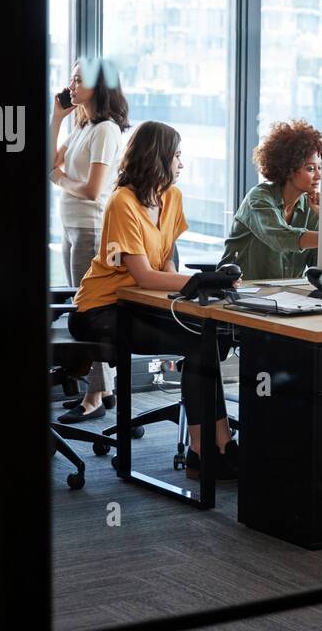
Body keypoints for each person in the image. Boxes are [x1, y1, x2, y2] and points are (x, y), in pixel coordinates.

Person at [68, 121, 238, 480]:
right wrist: (200, 280)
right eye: (176, 155)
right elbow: (144, 275)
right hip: (100, 309)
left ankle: (220, 445)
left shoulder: (171, 197)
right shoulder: (122, 202)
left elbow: (166, 263)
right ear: (157, 158)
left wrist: (191, 287)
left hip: (141, 303)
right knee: (197, 345)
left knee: (204, 339)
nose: (181, 164)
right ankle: (202, 451)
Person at [51, 59, 130, 422]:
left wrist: (60, 180)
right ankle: (106, 391)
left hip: (91, 227)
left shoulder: (106, 130)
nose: (71, 82)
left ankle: (94, 397)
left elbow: (94, 189)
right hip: (71, 225)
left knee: (88, 313)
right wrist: (57, 117)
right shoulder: (84, 126)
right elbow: (49, 161)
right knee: (82, 311)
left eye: (79, 78)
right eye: (72, 76)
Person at [221, 120, 322, 280]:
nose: (319, 175)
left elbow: (319, 265)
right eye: (310, 168)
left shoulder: (311, 207)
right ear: (289, 169)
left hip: (287, 297)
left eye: (320, 167)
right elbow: (281, 238)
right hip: (242, 293)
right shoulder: (259, 198)